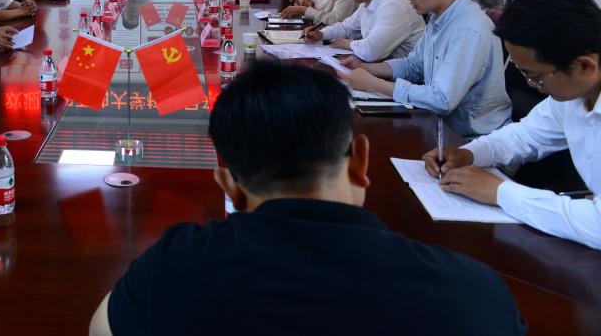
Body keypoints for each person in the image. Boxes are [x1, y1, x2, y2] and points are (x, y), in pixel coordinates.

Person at [90, 63, 526, 335]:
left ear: (228, 186)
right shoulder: (472, 292)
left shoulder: (173, 266)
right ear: (360, 160)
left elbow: (101, 328)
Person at [424, 0, 601, 250]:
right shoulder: (573, 93)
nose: (530, 84)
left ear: (585, 66)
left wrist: (500, 192)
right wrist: (469, 154)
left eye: (535, 76)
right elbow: (525, 135)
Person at [340, 0, 510, 137]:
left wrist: (373, 83)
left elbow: (441, 100)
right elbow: (413, 65)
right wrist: (365, 67)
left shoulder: (469, 29)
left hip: (470, 138)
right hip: (437, 125)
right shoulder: (439, 17)